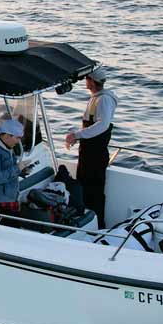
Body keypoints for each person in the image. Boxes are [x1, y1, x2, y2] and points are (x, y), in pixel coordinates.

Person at [64, 66, 118, 229]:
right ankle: (87, 223)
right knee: (86, 187)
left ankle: (97, 225)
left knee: (93, 190)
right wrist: (77, 134)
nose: (85, 81)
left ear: (92, 81)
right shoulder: (97, 98)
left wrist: (77, 135)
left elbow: (102, 125)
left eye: (87, 78)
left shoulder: (103, 100)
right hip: (89, 153)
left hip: (95, 155)